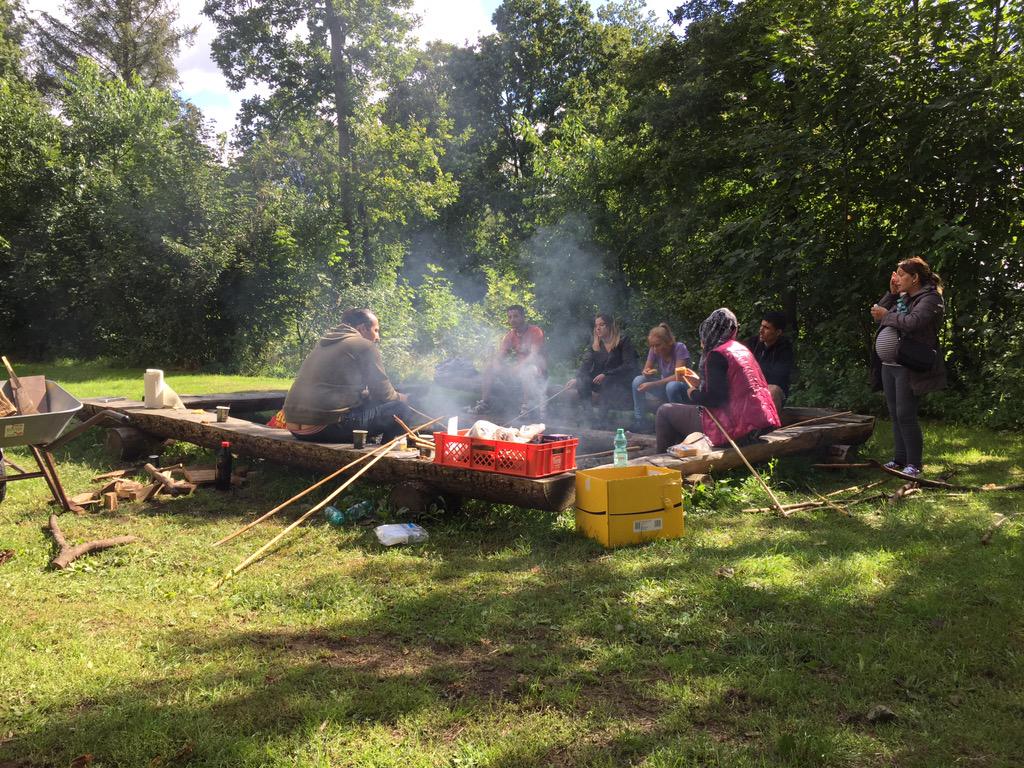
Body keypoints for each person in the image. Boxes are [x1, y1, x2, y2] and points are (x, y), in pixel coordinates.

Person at [655, 308, 781, 453]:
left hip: (733, 429)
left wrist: (693, 393)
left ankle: (662, 461)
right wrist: (699, 382)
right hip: (758, 424)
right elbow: (733, 387)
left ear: (711, 328)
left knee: (664, 411)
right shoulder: (741, 349)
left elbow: (716, 400)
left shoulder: (717, 354)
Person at [283, 308, 414, 443]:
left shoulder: (325, 343)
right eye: (376, 330)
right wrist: (403, 398)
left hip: (295, 428)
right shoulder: (364, 345)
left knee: (369, 402)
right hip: (325, 428)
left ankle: (370, 442)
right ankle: (383, 454)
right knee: (401, 410)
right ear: (362, 328)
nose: (377, 337)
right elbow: (384, 395)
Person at [870, 256, 946, 477]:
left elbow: (913, 322)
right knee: (894, 414)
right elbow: (878, 314)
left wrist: (888, 315)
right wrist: (891, 293)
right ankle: (899, 458)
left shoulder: (930, 299)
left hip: (908, 365)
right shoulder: (901, 297)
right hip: (888, 365)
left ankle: (914, 463)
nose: (898, 278)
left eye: (902, 275)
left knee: (906, 414)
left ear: (915, 278)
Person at [471, 305, 547, 415]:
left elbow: (534, 356)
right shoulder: (510, 335)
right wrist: (496, 364)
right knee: (490, 366)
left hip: (538, 371)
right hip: (518, 371)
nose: (512, 320)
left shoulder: (535, 331)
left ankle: (526, 407)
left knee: (528, 369)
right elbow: (500, 356)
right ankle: (485, 403)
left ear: (523, 317)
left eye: (515, 316)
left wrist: (518, 368)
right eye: (510, 317)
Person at [566, 314, 639, 426]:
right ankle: (589, 417)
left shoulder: (623, 341)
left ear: (610, 326)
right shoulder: (596, 345)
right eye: (596, 325)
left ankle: (602, 420)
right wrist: (577, 379)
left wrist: (606, 374)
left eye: (602, 325)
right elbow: (586, 363)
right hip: (602, 381)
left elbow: (628, 366)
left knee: (607, 381)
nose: (598, 328)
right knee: (583, 380)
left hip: (621, 382)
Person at [630, 323, 691, 432]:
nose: (654, 349)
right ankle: (640, 421)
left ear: (668, 342)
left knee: (672, 386)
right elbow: (646, 369)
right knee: (638, 381)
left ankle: (678, 423)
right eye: (652, 346)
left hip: (683, 390)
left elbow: (679, 376)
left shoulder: (679, 348)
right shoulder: (654, 349)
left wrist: (653, 384)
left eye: (657, 345)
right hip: (664, 387)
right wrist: (646, 373)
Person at [743, 310, 794, 411]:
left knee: (772, 390)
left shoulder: (785, 349)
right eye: (761, 326)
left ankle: (769, 426)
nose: (761, 330)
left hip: (773, 392)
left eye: (766, 328)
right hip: (752, 388)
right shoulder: (753, 343)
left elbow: (777, 377)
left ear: (778, 332)